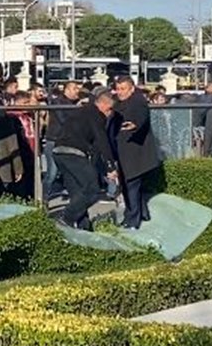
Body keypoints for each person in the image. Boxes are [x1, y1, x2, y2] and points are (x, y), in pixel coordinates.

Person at [52, 87, 119, 231]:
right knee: (92, 189)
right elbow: (101, 140)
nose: (110, 114)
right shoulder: (96, 115)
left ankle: (83, 227)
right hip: (74, 153)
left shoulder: (81, 111)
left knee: (77, 194)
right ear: (105, 105)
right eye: (111, 110)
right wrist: (110, 167)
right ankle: (66, 218)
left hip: (59, 152)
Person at [112, 76, 162, 230]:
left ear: (131, 89)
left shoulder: (138, 101)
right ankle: (141, 214)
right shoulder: (118, 103)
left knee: (131, 185)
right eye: (118, 89)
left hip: (135, 152)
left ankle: (132, 221)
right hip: (125, 152)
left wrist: (135, 125)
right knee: (130, 186)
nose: (120, 92)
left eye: (123, 89)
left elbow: (141, 116)